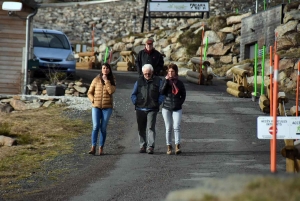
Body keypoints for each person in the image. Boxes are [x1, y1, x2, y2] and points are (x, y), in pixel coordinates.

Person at [131, 64, 165, 154]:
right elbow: (133, 94)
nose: (147, 75)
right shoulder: (139, 81)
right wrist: (135, 101)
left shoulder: (158, 81)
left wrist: (159, 102)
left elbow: (162, 93)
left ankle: (150, 146)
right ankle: (142, 145)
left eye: (149, 74)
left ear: (152, 72)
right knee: (141, 128)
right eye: (145, 74)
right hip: (140, 108)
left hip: (152, 108)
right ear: (143, 73)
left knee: (150, 127)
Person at [87, 63, 116, 155]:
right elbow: (89, 92)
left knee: (103, 127)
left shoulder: (112, 80)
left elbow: (111, 91)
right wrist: (93, 100)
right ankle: (93, 147)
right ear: (101, 69)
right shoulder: (96, 80)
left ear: (109, 70)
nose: (105, 70)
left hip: (107, 108)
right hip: (96, 107)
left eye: (107, 68)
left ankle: (101, 148)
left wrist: (106, 81)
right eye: (104, 68)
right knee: (95, 126)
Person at [160, 63, 186, 155]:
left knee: (176, 126)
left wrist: (179, 103)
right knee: (168, 127)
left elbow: (183, 94)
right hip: (166, 107)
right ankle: (169, 146)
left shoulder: (179, 83)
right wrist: (166, 82)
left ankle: (177, 145)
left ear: (176, 72)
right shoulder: (164, 81)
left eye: (172, 71)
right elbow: (161, 92)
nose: (170, 73)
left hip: (177, 107)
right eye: (169, 71)